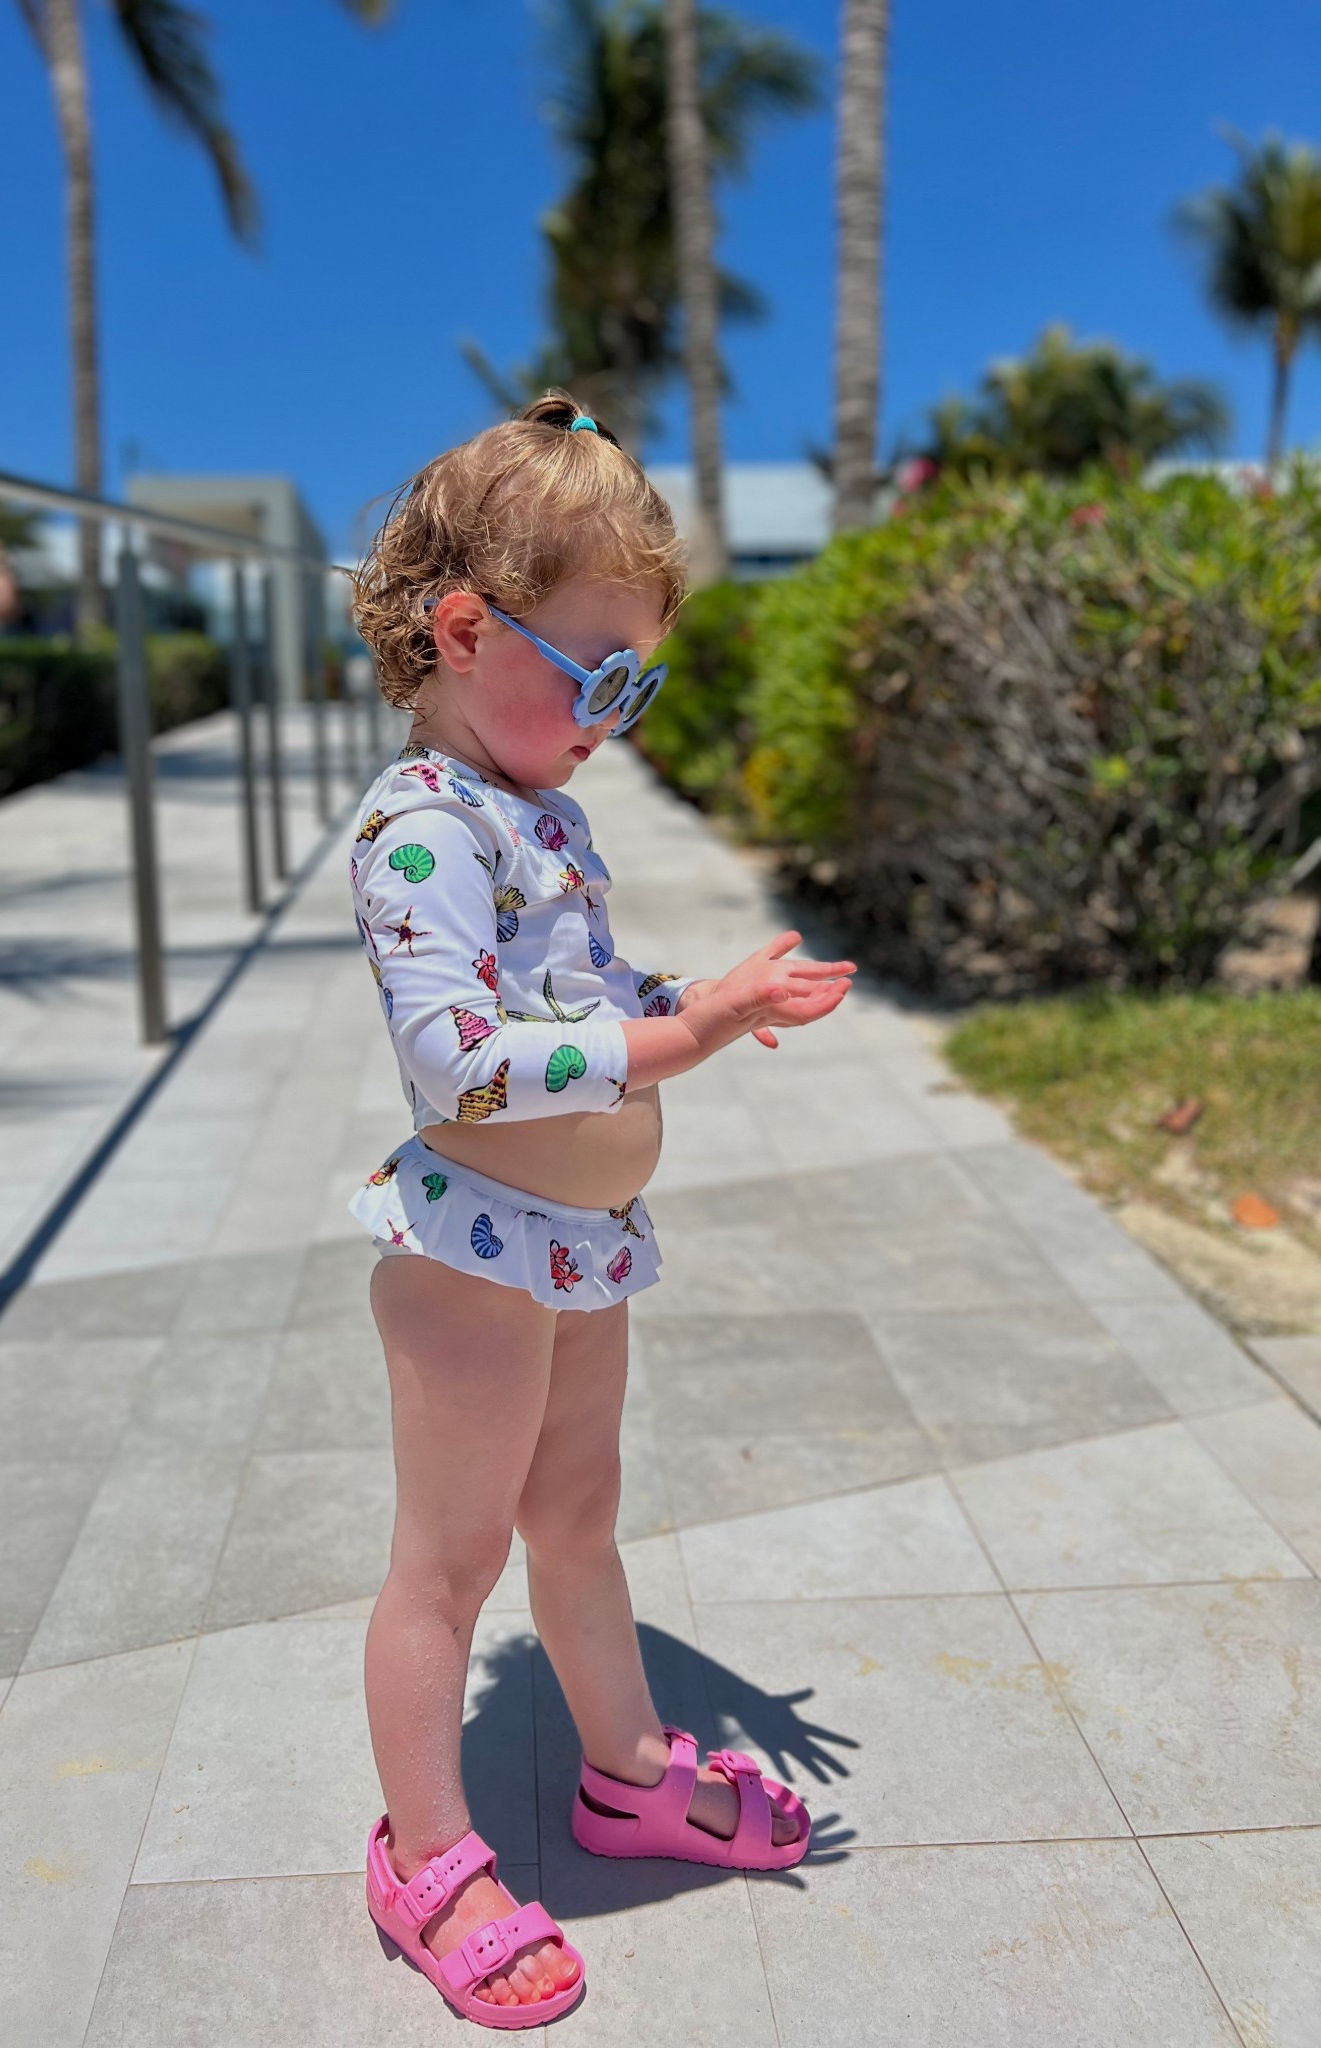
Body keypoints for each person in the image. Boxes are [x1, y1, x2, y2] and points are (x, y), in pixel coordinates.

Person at [345, 391, 856, 2029]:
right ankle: (426, 1851)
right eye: (599, 675)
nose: (615, 717)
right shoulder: (420, 826)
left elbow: (581, 979)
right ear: (463, 627)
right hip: (475, 1258)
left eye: (639, 682)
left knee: (578, 1522)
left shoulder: (544, 812)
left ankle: (624, 1770)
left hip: (581, 1251)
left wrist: (702, 993)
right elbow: (462, 1053)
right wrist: (670, 1040)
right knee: (449, 1565)